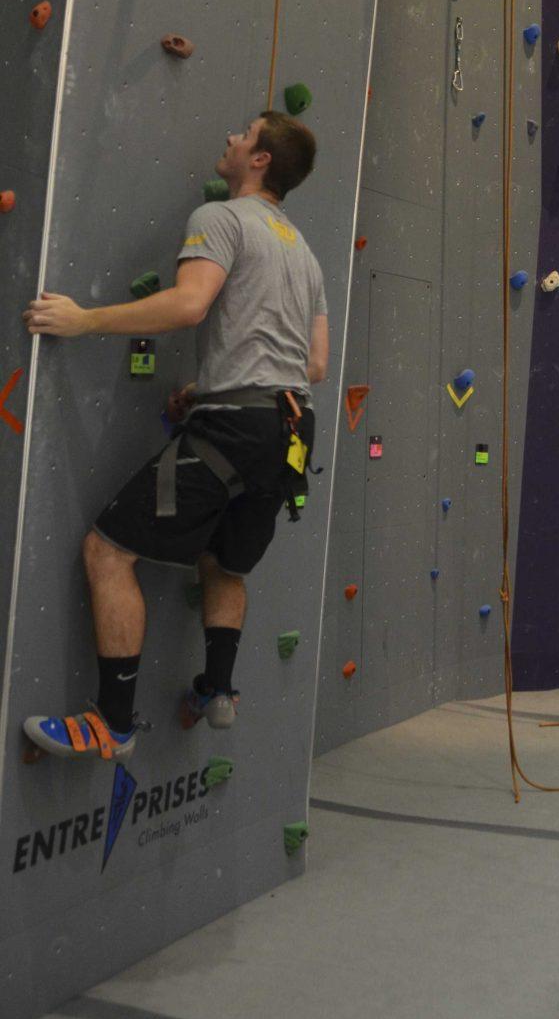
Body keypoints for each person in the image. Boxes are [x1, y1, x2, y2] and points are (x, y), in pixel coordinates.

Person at [21, 112, 329, 762]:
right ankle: (218, 689)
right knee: (225, 564)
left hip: (236, 426)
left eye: (244, 135)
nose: (230, 140)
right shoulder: (304, 253)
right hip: (289, 430)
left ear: (261, 160)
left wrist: (85, 320)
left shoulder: (220, 218)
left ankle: (114, 721)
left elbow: (190, 305)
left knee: (108, 553)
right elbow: (315, 365)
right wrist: (222, 384)